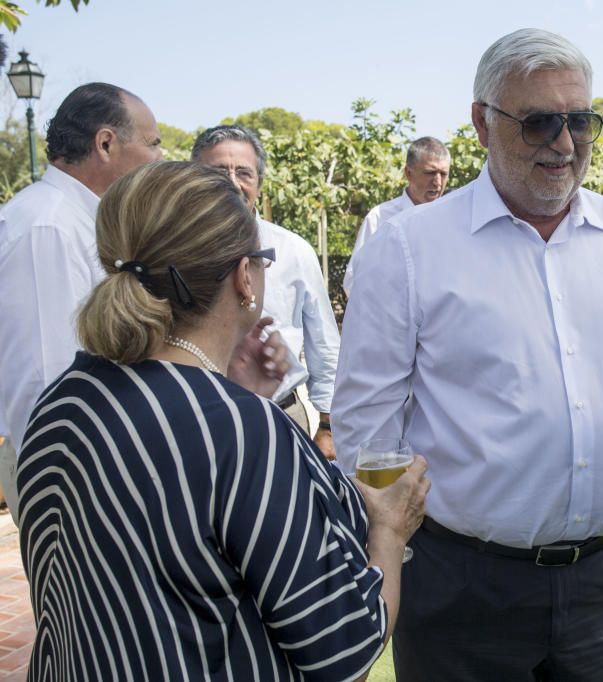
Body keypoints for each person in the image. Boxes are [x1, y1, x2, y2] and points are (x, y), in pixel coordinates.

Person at [332, 28, 603, 681]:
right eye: (538, 123)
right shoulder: (410, 247)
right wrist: (382, 549)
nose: (563, 144)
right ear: (482, 122)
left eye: (579, 122)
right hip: (460, 589)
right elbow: (368, 424)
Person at [16, 161, 429, 681]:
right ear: (243, 277)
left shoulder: (65, 400)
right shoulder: (241, 430)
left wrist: (234, 394)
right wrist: (391, 531)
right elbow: (343, 647)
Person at [0, 83, 164, 523]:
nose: (160, 158)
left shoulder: (77, 221)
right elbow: (44, 383)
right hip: (72, 476)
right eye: (152, 143)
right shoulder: (47, 228)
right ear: (106, 143)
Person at [192, 124, 341, 459]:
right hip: (200, 417)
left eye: (243, 172)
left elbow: (324, 343)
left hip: (284, 414)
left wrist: (327, 425)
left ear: (258, 182)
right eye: (218, 172)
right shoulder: (175, 250)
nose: (232, 183)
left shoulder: (293, 250)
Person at [341, 136, 450, 297]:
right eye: (430, 173)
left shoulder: (452, 220)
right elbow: (354, 281)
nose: (438, 182)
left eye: (443, 174)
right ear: (408, 173)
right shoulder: (380, 218)